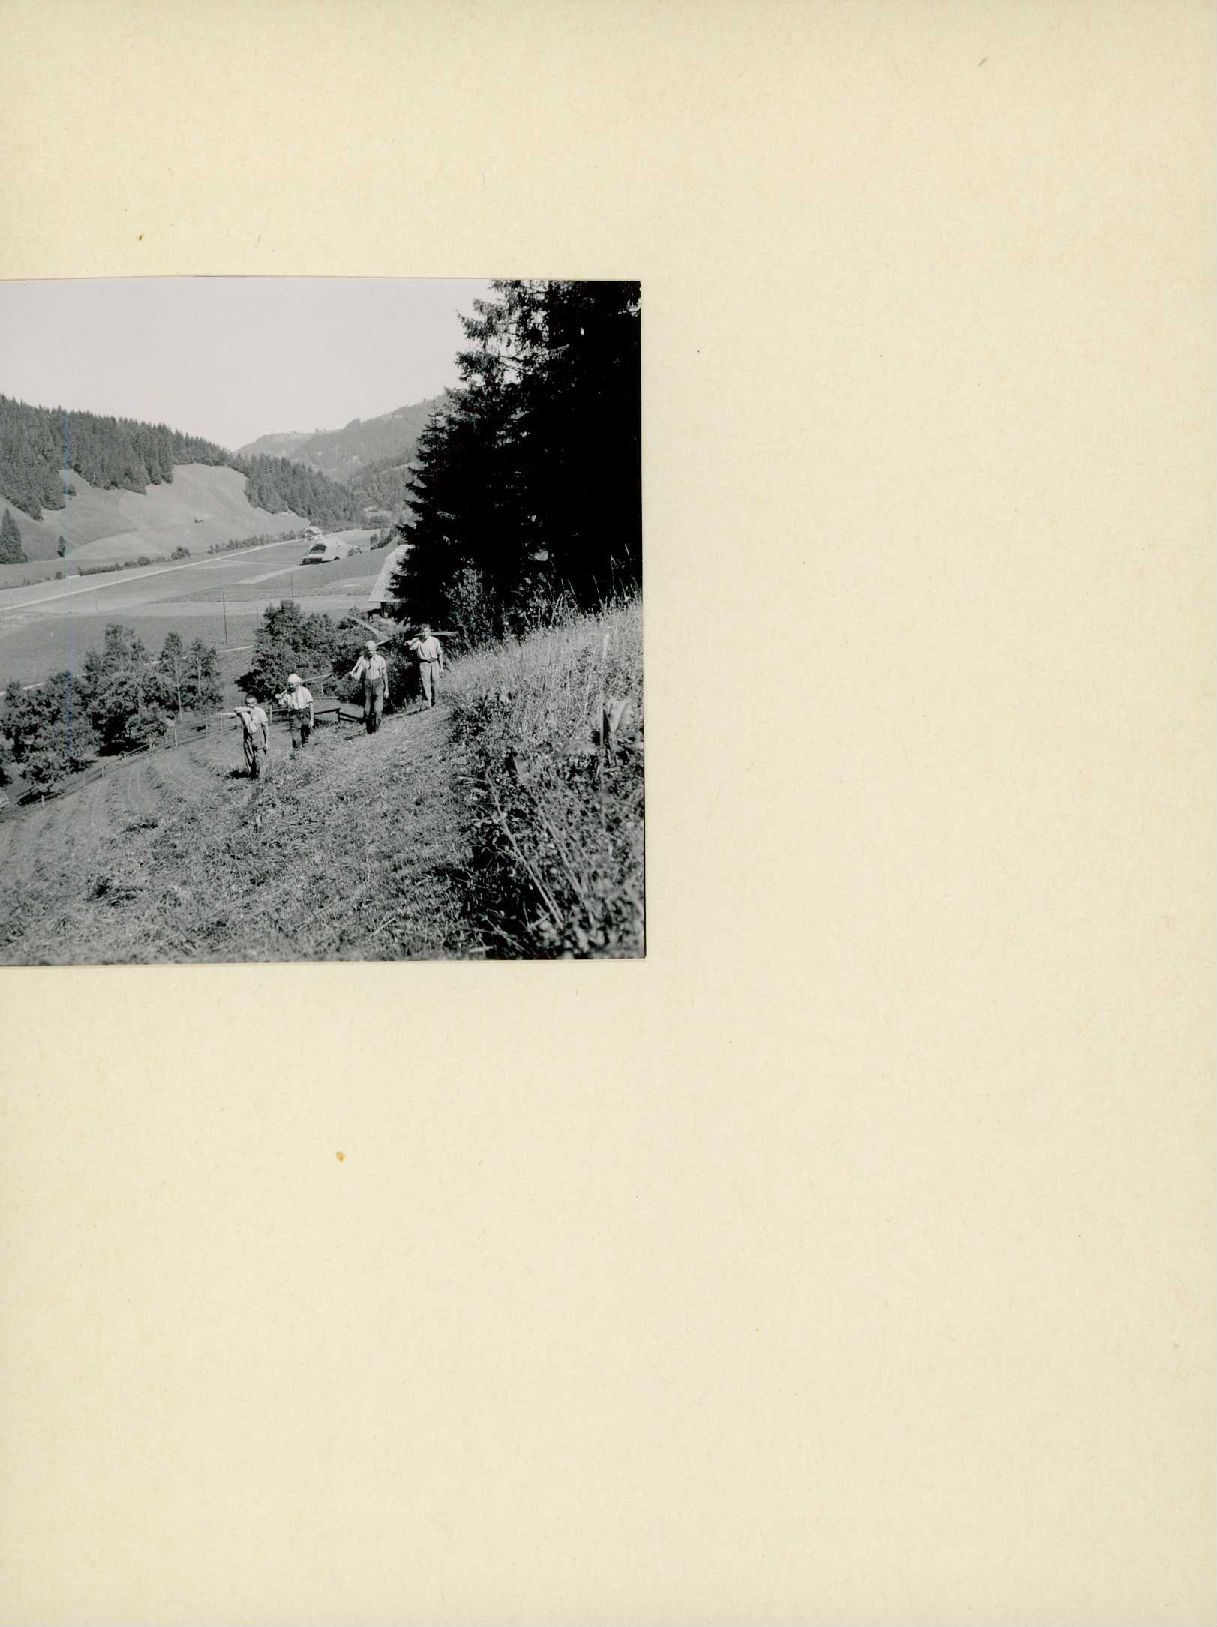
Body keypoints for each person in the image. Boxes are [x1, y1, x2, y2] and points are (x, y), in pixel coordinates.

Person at [348, 639, 390, 733]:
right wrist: (353, 673)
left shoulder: (380, 660)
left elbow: (384, 675)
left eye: (372, 650)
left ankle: (376, 729)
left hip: (378, 683)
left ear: (375, 649)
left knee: (377, 710)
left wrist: (386, 689)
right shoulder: (363, 660)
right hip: (367, 685)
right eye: (368, 650)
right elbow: (357, 671)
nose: (370, 652)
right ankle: (369, 729)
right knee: (367, 711)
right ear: (366, 650)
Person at [232, 694, 269, 778]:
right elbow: (235, 709)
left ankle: (262, 778)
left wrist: (267, 742)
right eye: (248, 703)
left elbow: (265, 727)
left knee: (260, 756)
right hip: (247, 734)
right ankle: (253, 776)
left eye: (252, 703)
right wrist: (248, 709)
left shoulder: (260, 711)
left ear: (256, 703)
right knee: (249, 757)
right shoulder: (243, 712)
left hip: (258, 734)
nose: (250, 705)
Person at [408, 624, 444, 708]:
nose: (425, 633)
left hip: (434, 663)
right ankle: (427, 704)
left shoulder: (435, 640)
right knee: (425, 684)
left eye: (426, 631)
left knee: (436, 682)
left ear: (430, 632)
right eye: (423, 632)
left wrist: (441, 667)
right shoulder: (419, 642)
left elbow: (440, 654)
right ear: (421, 633)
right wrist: (412, 641)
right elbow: (410, 648)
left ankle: (436, 701)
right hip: (424, 664)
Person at [276, 673, 314, 749]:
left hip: (305, 713)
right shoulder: (287, 693)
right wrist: (279, 698)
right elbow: (281, 704)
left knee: (305, 732)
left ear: (297, 683)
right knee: (295, 734)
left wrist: (312, 720)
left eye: (291, 684)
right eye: (289, 684)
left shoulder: (305, 691)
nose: (290, 686)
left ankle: (305, 747)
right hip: (294, 714)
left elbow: (311, 705)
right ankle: (298, 750)